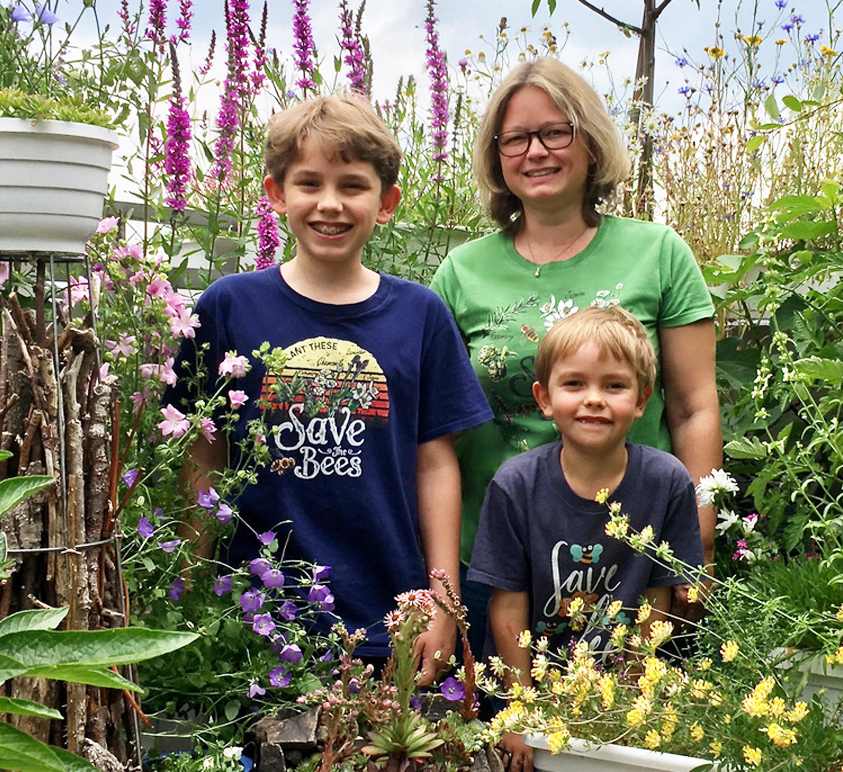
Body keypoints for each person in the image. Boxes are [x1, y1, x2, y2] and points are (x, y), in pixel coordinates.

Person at [178, 95, 492, 679]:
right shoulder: (228, 306)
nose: (330, 204)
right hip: (253, 617)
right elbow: (203, 451)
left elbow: (436, 464)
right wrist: (195, 584)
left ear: (387, 202)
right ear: (276, 195)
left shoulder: (420, 316)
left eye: (352, 185)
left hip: (391, 618)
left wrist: (444, 600)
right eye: (309, 183)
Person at [429, 57, 720, 637]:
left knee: (632, 715)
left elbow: (694, 407)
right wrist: (439, 586)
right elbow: (435, 433)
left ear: (589, 143)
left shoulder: (658, 253)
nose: (536, 151)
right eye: (514, 138)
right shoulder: (462, 272)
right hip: (498, 557)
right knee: (503, 721)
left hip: (636, 558)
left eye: (555, 131)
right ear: (497, 157)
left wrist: (697, 543)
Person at [467, 306, 704, 770]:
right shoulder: (515, 485)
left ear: (641, 400)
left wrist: (634, 698)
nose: (593, 399)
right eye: (574, 384)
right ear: (544, 398)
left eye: (614, 386)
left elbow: (656, 597)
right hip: (532, 688)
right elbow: (508, 604)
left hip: (621, 694)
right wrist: (522, 713)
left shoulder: (666, 482)